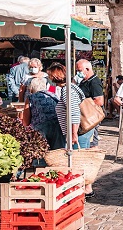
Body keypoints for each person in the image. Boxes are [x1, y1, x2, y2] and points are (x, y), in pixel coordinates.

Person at [46, 63, 95, 198]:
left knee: (78, 161)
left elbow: (74, 113)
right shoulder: (69, 88)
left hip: (79, 132)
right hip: (78, 131)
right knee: (79, 159)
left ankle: (85, 189)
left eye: (50, 76)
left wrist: (73, 134)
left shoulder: (68, 90)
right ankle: (84, 188)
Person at [22, 77, 63, 150]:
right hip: (57, 126)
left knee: (41, 152)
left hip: (41, 128)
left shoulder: (31, 97)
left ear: (31, 87)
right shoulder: (53, 95)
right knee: (58, 152)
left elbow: (26, 120)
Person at [75, 59, 105, 148]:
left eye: (79, 70)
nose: (77, 72)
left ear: (87, 69)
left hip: (90, 117)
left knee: (90, 142)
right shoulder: (83, 81)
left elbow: (99, 101)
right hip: (84, 115)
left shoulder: (94, 82)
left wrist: (85, 105)